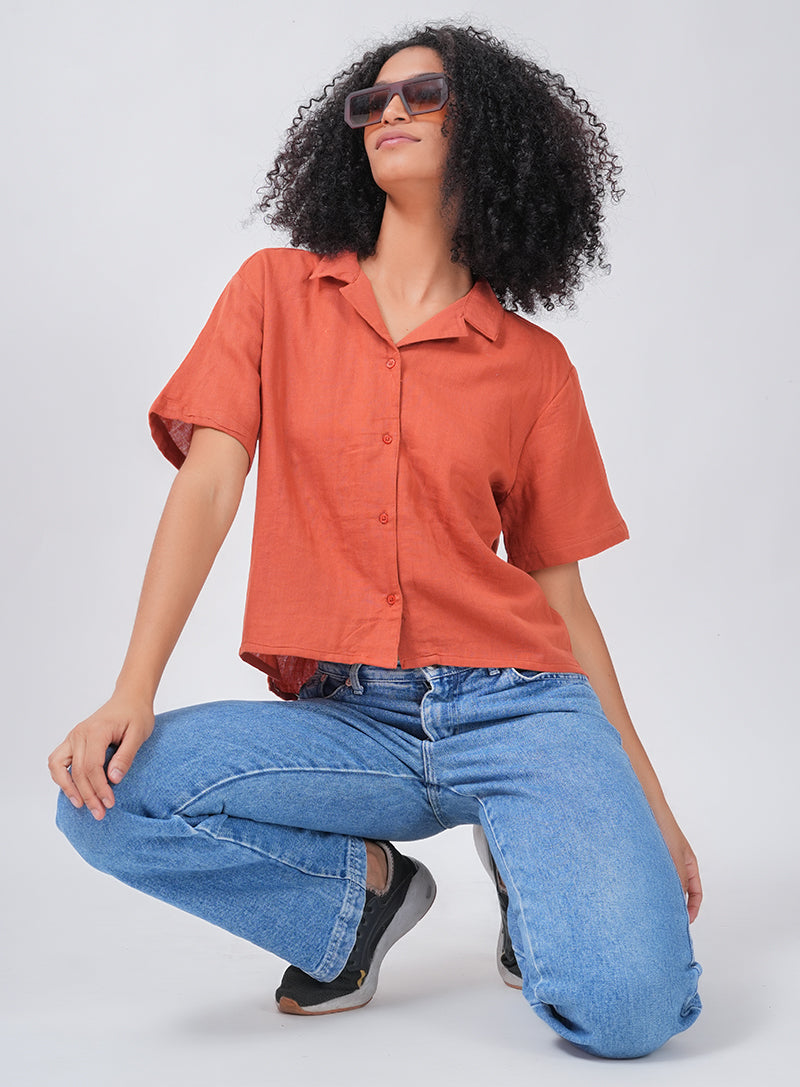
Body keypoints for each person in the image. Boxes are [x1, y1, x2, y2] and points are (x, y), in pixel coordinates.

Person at [49, 24, 702, 1059]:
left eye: (424, 94)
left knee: (627, 1014)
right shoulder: (274, 293)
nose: (389, 111)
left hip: (519, 708)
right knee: (104, 800)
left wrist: (646, 800)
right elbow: (208, 485)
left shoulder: (533, 367)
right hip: (356, 721)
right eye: (372, 101)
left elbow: (561, 599)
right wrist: (133, 688)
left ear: (487, 131)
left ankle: (532, 860)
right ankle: (357, 904)